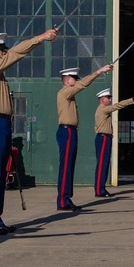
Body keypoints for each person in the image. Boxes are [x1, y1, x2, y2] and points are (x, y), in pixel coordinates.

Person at [0, 31, 57, 235]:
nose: (5, 52)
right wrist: (40, 38)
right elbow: (16, 54)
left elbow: (12, 54)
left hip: (2, 124)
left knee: (0, 173)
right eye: (2, 50)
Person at [56, 64, 112, 211]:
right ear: (68, 80)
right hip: (66, 131)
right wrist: (99, 71)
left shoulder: (69, 96)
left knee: (69, 166)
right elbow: (83, 85)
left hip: (71, 131)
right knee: (66, 166)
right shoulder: (65, 93)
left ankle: (66, 198)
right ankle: (63, 200)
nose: (77, 81)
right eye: (74, 79)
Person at [93, 88, 134, 197]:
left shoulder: (102, 109)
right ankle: (99, 189)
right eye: (108, 98)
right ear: (102, 100)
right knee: (102, 164)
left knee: (104, 164)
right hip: (103, 138)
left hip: (105, 138)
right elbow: (118, 105)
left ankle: (101, 188)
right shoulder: (103, 109)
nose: (109, 100)